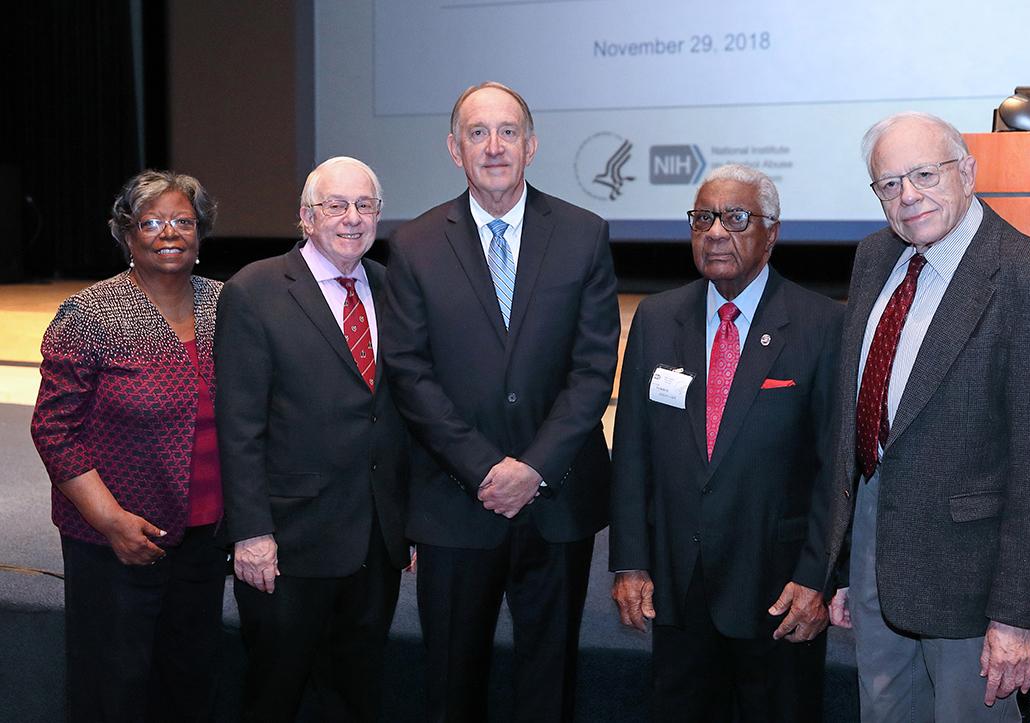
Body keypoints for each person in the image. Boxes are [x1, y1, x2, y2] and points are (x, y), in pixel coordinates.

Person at [824, 112, 1030, 721]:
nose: (907, 195)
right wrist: (842, 563)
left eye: (923, 174)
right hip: (873, 553)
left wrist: (1016, 617)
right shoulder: (874, 257)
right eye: (888, 184)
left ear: (966, 172)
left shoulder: (1029, 279)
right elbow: (855, 422)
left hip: (971, 580)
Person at [381, 81, 619, 722]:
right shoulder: (413, 245)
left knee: (551, 682)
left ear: (532, 145)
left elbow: (594, 369)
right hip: (455, 504)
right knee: (451, 683)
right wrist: (485, 469)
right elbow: (408, 372)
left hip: (558, 499)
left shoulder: (583, 234)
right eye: (477, 133)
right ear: (453, 149)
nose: (494, 147)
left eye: (508, 132)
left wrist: (533, 467)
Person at [608, 164, 842, 721]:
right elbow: (633, 452)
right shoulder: (657, 318)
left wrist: (817, 578)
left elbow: (836, 468)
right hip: (678, 588)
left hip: (778, 591)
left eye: (736, 218)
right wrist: (631, 563)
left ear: (772, 233)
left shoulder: (821, 324)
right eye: (703, 218)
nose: (715, 232)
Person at [214, 156, 409, 721]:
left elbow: (399, 414)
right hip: (288, 544)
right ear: (305, 216)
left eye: (365, 205)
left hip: (375, 540)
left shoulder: (393, 287)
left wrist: (406, 521)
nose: (352, 218)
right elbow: (240, 425)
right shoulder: (255, 290)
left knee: (356, 693)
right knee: (276, 693)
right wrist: (251, 534)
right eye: (336, 205)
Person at [30, 170, 226, 722]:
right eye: (153, 222)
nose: (170, 233)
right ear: (127, 233)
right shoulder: (91, 314)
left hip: (205, 534)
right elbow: (53, 431)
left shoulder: (226, 305)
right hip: (114, 538)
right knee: (112, 688)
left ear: (201, 231)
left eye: (183, 221)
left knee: (189, 682)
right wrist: (111, 521)